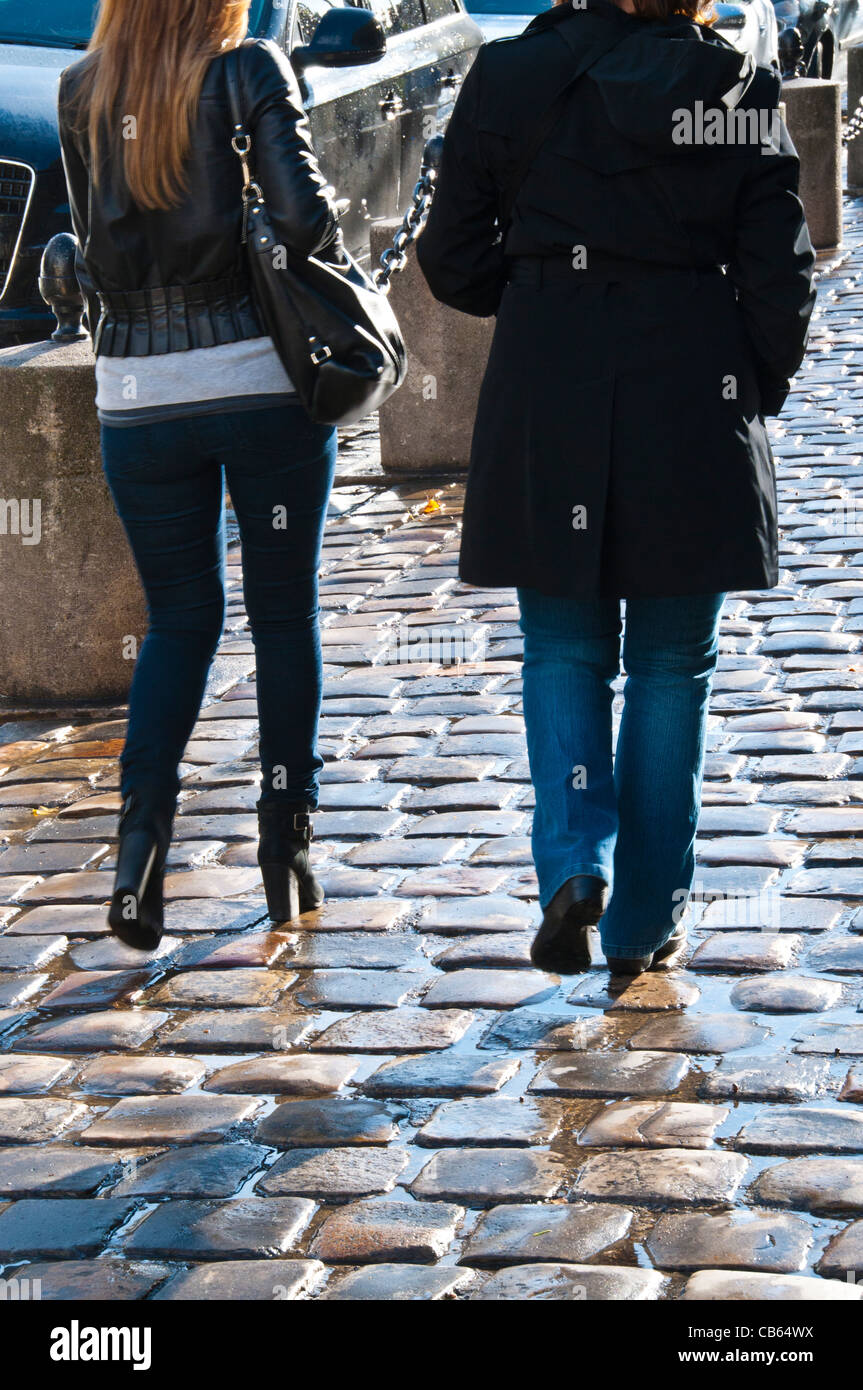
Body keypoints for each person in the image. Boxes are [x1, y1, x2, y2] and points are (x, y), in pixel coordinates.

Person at [417, 0, 815, 974]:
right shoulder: (729, 87)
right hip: (688, 381)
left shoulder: (509, 76)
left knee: (562, 647)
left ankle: (571, 863)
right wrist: (748, 390)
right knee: (671, 666)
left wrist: (542, 288)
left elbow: (450, 257)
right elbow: (778, 277)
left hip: (552, 379)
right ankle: (641, 920)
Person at [58, 0, 345, 949]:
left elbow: (95, 255)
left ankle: (140, 845)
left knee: (179, 620)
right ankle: (284, 843)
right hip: (259, 383)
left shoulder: (82, 92)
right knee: (282, 614)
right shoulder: (248, 70)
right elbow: (304, 219)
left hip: (138, 399)